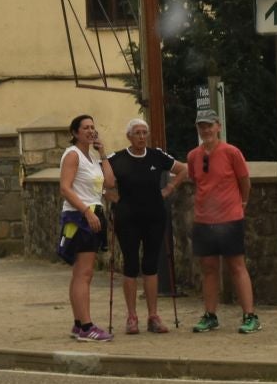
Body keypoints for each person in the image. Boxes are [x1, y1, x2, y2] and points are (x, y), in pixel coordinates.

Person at [106, 116, 186, 334]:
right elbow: (99, 180)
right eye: (137, 133)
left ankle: (153, 316)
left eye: (144, 133)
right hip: (127, 217)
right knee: (130, 264)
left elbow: (183, 169)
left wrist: (169, 189)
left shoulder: (156, 156)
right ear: (129, 136)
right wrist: (110, 196)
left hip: (154, 217)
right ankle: (132, 317)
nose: (142, 137)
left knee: (150, 263)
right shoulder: (117, 158)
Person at [187, 110, 259, 334]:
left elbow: (244, 181)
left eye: (209, 126)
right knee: (208, 268)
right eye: (202, 126)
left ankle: (250, 315)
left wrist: (243, 203)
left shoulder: (231, 152)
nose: (206, 130)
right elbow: (195, 181)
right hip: (203, 219)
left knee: (236, 266)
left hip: (229, 218)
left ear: (218, 126)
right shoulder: (193, 156)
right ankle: (210, 315)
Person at [56, 114, 114, 342]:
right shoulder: (72, 155)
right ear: (75, 133)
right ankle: (87, 326)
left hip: (91, 213)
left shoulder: (90, 156)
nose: (91, 131)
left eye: (93, 127)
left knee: (81, 273)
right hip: (80, 216)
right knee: (84, 273)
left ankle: (79, 323)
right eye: (86, 128)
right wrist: (87, 212)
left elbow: (109, 183)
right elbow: (65, 188)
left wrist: (103, 153)